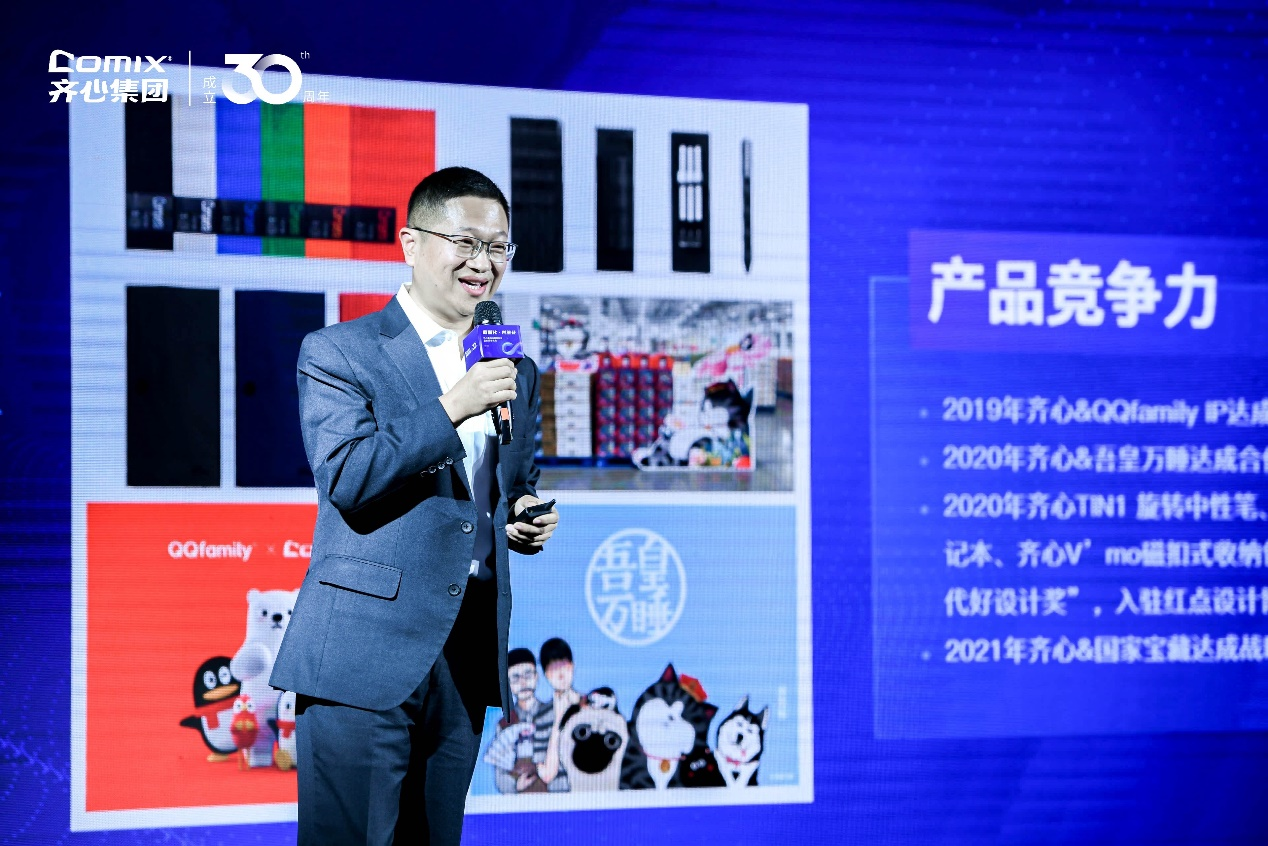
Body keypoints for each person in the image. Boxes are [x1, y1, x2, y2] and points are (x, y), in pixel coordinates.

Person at [270, 166, 559, 845]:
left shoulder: (514, 368)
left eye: (498, 247)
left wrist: (522, 515)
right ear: (410, 243)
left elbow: (512, 481)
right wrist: (454, 404)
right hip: (361, 655)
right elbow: (350, 476)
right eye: (465, 242)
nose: (483, 263)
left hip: (465, 648)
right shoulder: (340, 351)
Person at [485, 647, 555, 794]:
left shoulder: (552, 714)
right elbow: (500, 773)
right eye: (515, 678)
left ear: (537, 676)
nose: (523, 683)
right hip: (518, 801)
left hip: (553, 796)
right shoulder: (505, 723)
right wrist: (515, 786)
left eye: (528, 675)